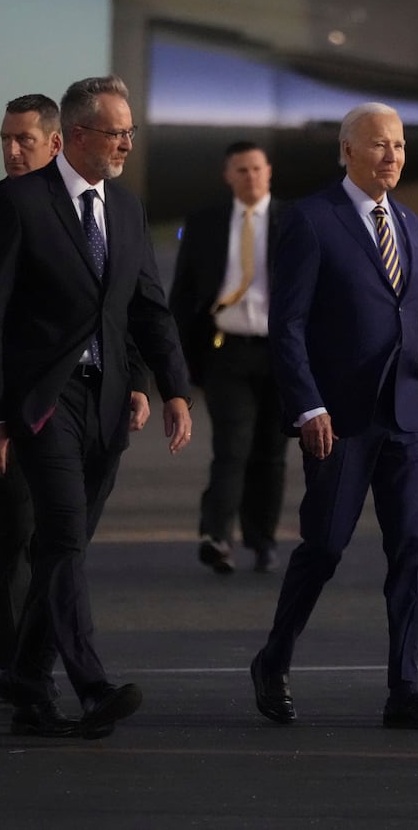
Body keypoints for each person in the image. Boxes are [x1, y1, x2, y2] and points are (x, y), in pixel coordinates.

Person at [0, 75, 194, 741]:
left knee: (68, 549)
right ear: (78, 136)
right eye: (117, 130)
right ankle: (92, 684)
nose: (127, 141)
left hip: (107, 404)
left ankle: (27, 682)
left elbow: (148, 307)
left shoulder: (124, 208)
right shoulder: (21, 205)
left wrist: (173, 387)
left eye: (130, 130)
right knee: (63, 535)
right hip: (44, 402)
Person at [0, 94, 149, 706]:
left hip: (75, 403)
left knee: (61, 539)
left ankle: (29, 673)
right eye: (4, 139)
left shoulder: (100, 210)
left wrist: (141, 383)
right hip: (6, 406)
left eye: (24, 139)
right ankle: (23, 671)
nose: (11, 151)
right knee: (18, 532)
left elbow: (120, 306)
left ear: (56, 143)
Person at [249, 102, 418, 731]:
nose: (391, 156)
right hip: (340, 421)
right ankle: (274, 657)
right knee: (326, 546)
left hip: (407, 417)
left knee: (412, 550)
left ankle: (405, 689)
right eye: (377, 145)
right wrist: (308, 403)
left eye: (398, 145)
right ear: (346, 150)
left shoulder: (412, 224)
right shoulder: (311, 221)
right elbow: (286, 326)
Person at [169, 141, 289, 577]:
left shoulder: (293, 222)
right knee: (231, 449)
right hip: (227, 351)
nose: (251, 177)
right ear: (228, 176)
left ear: (269, 171)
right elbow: (183, 294)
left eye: (257, 168)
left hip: (281, 353)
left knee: (271, 454)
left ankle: (263, 540)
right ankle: (217, 537)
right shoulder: (206, 223)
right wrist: (178, 364)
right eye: (241, 170)